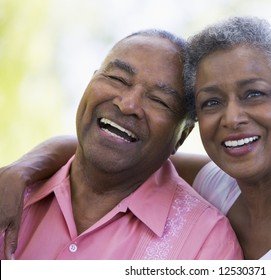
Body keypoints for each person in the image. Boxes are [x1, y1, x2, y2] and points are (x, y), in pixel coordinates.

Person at [2, 16, 271, 259]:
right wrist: (21, 169)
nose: (232, 117)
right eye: (211, 102)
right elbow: (114, 148)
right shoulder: (220, 181)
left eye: (254, 93)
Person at [0, 29, 243, 260]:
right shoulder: (12, 194)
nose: (128, 105)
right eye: (117, 78)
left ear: (181, 136)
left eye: (159, 100)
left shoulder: (205, 245)